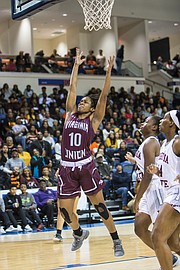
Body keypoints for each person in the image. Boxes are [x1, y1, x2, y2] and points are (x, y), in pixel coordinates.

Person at [57, 48, 124, 256]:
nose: (81, 102)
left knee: (100, 206)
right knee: (64, 210)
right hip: (67, 167)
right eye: (81, 100)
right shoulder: (70, 114)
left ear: (92, 108)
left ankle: (116, 240)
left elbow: (103, 96)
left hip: (86, 165)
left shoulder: (93, 120)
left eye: (85, 101)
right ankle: (78, 233)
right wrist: (75, 66)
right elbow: (72, 88)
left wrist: (108, 73)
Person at [147, 110, 180, 270]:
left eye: (165, 118)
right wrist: (157, 171)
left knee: (157, 236)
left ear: (172, 123)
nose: (161, 121)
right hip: (169, 191)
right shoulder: (165, 144)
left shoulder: (177, 141)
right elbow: (169, 169)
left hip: (177, 192)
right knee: (174, 242)